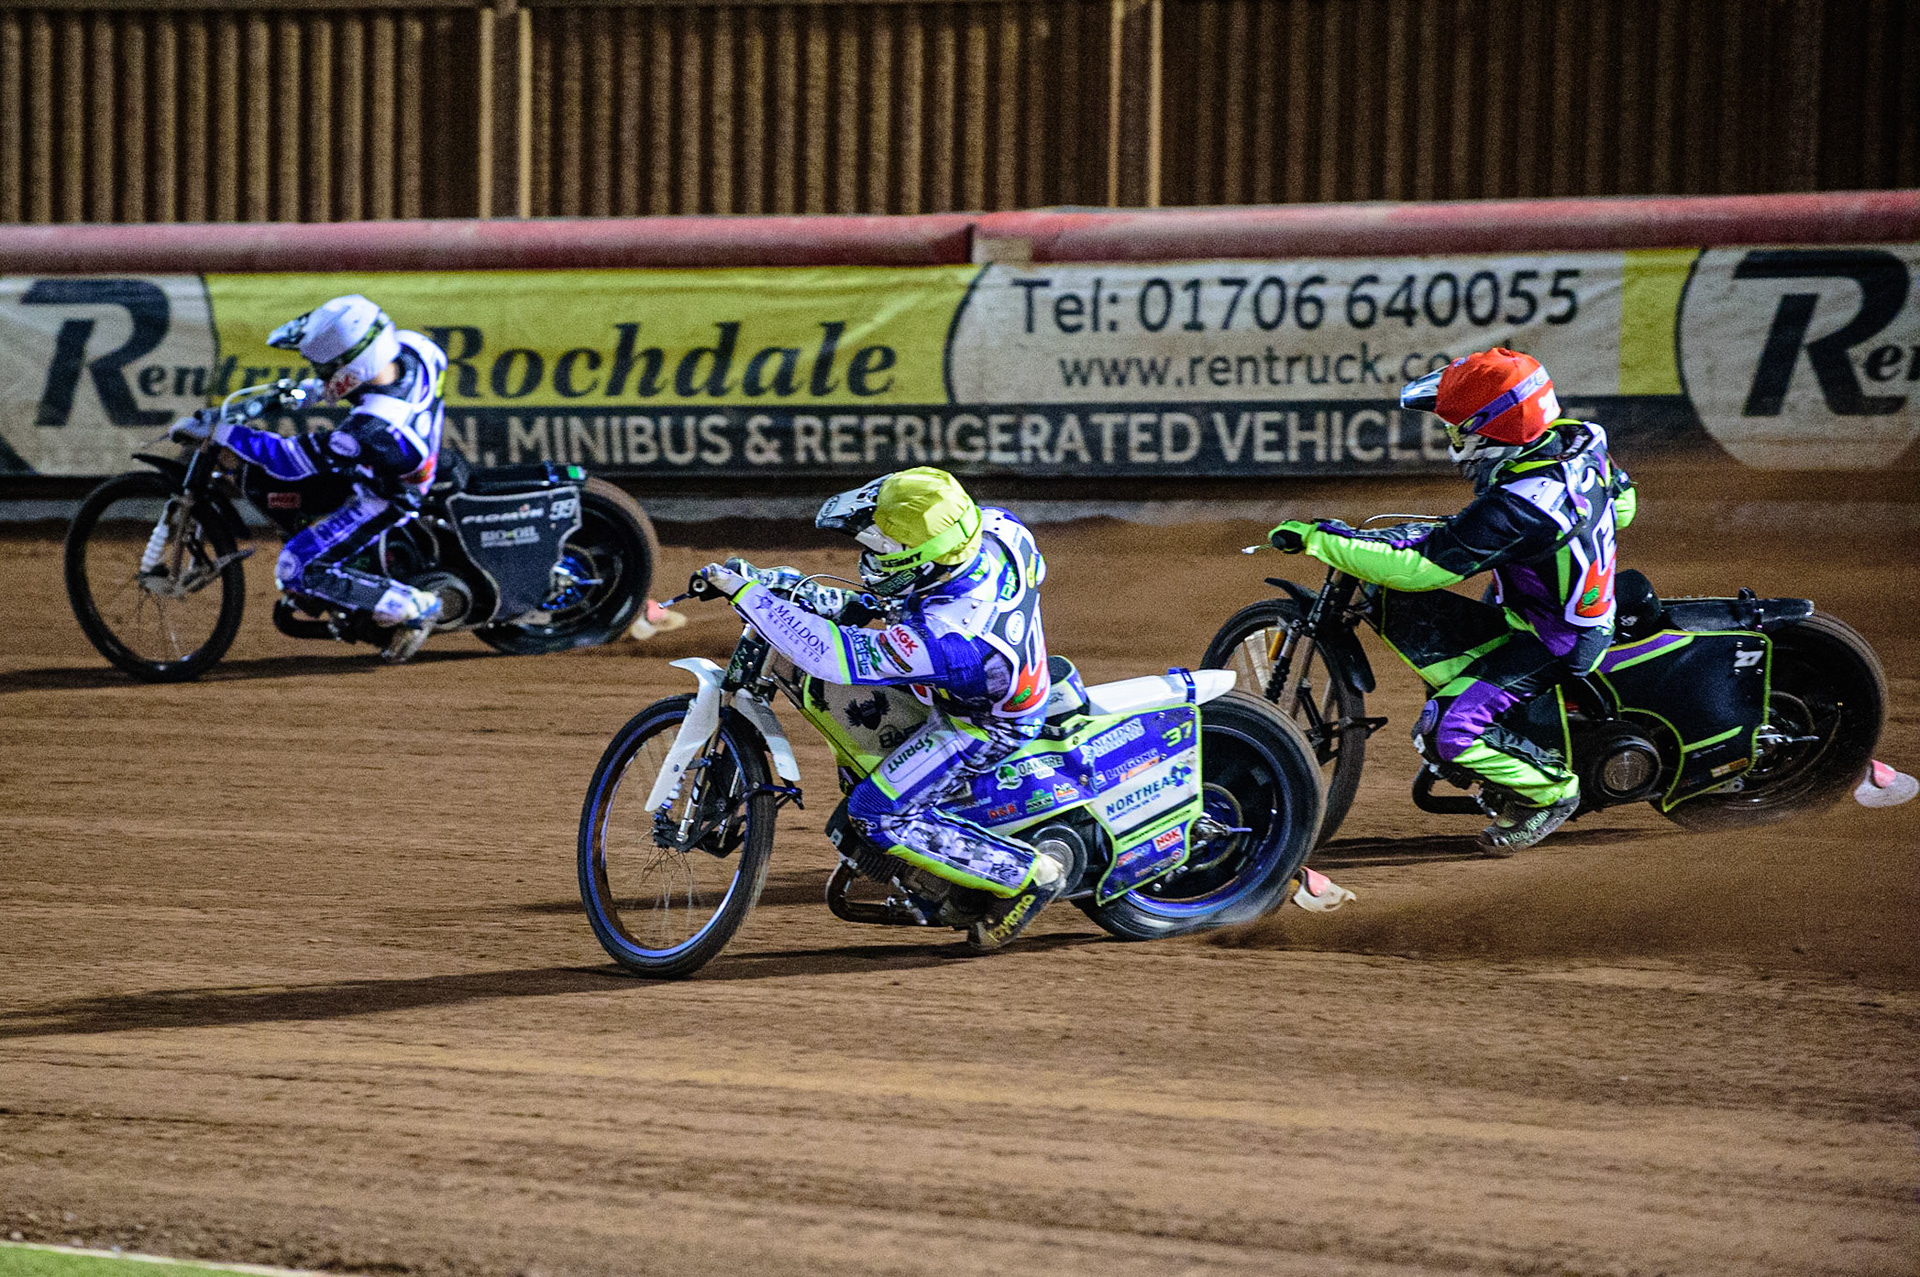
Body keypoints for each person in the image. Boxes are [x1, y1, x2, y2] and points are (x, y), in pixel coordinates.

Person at [1268, 348, 1637, 853]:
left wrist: (1318, 539)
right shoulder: (1579, 441)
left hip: (1555, 637)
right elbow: (1624, 507)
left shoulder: (1521, 503)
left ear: (1494, 426)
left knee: (1447, 732)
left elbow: (1421, 569)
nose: (1455, 438)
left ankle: (1550, 792)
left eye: (1459, 426)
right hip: (1542, 601)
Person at [695, 466, 1066, 951]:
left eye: (881, 550)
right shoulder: (997, 528)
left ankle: (1030, 874)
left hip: (982, 722)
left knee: (875, 813)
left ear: (925, 561)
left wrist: (750, 596)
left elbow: (827, 653)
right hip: (979, 661)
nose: (868, 554)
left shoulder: (947, 637)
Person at [170, 295, 449, 663]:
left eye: (323, 367)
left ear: (351, 366)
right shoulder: (416, 349)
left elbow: (288, 460)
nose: (318, 373)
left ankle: (412, 605)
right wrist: (297, 393)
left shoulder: (368, 427)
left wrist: (222, 433)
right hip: (413, 451)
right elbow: (347, 381)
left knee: (295, 567)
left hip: (388, 494)